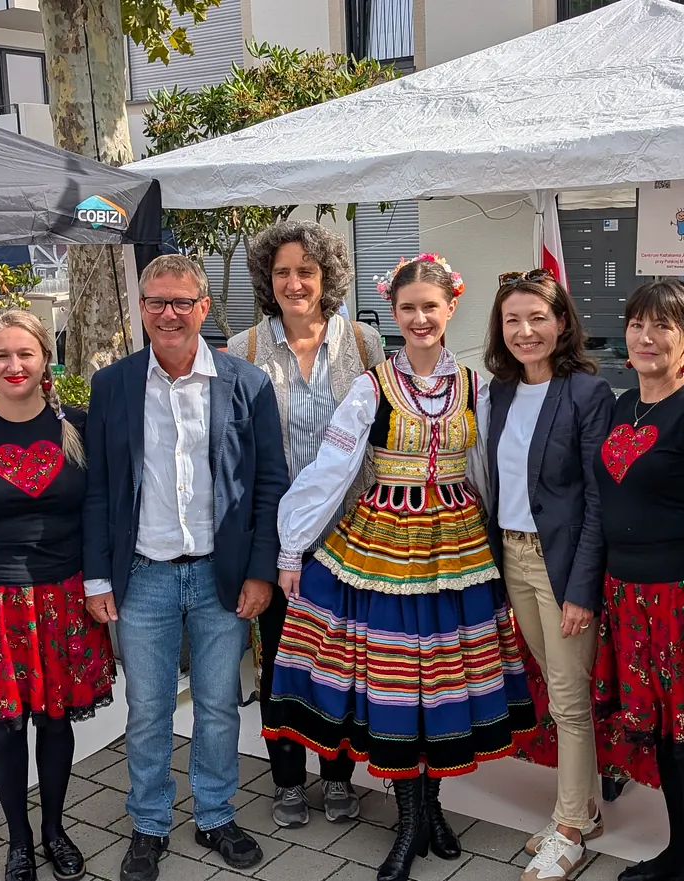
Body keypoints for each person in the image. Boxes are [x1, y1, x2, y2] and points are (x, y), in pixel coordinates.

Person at [268, 253, 536, 881]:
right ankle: (409, 817)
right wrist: (291, 545)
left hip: (458, 548)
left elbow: (485, 472)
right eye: (408, 308)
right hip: (385, 547)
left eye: (430, 307)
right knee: (394, 680)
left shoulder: (473, 386)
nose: (420, 318)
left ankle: (431, 810)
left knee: (443, 679)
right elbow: (330, 471)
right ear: (393, 313)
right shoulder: (373, 385)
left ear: (451, 310)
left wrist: (499, 545)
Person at [81, 254, 289, 881]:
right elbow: (99, 490)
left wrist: (260, 569)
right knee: (147, 708)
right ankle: (148, 825)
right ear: (142, 309)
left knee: (220, 706)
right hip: (141, 574)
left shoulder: (245, 382)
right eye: (155, 302)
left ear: (203, 307)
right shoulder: (112, 384)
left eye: (180, 302)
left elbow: (269, 486)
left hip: (220, 577)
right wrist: (97, 577)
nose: (167, 313)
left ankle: (216, 814)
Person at [0, 309, 115, 881]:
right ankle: (18, 841)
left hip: (64, 596)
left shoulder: (77, 424)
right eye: (1, 355)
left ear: (44, 360)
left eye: (25, 354)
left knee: (57, 722)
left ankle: (56, 830)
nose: (14, 365)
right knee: (7, 725)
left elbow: (96, 512)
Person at [227, 220, 385, 828]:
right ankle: (288, 779)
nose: (294, 283)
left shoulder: (366, 345)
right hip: (276, 539)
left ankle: (339, 777)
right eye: (282, 272)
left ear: (326, 278)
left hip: (354, 536)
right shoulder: (242, 350)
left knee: (343, 661)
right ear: (269, 280)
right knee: (280, 663)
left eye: (306, 271)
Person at [591, 280, 684, 881]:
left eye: (662, 327)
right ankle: (678, 854)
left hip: (682, 597)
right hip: (626, 594)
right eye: (636, 325)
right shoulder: (624, 405)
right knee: (662, 735)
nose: (646, 338)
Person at [482, 268, 613, 881]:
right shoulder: (499, 393)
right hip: (512, 557)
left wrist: (581, 588)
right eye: (513, 319)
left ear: (562, 323)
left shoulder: (589, 394)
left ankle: (567, 830)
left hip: (559, 563)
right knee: (558, 688)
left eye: (538, 317)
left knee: (567, 697)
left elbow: (596, 500)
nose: (525, 330)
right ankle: (584, 809)